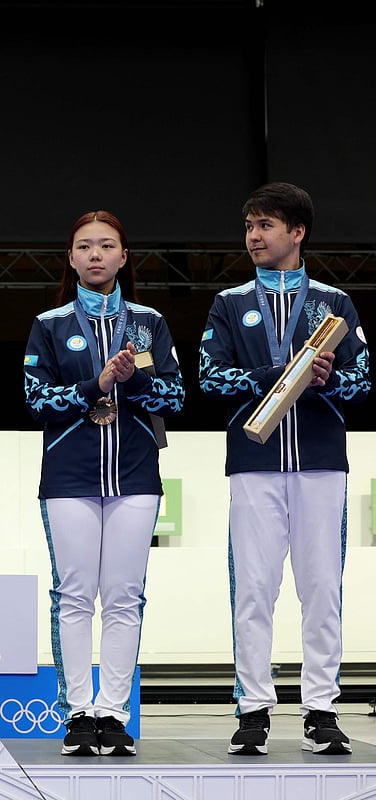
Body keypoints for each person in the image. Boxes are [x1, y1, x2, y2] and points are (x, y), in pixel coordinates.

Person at [199, 181, 369, 757]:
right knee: (254, 588)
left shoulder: (334, 304)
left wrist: (325, 380)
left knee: (322, 587)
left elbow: (363, 381)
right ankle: (253, 709)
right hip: (253, 462)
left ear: (296, 232)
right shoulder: (230, 304)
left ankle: (321, 708)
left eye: (266, 226)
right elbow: (209, 377)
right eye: (249, 226)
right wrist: (276, 373)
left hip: (321, 461)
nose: (253, 236)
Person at [23, 211, 184, 757]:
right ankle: (77, 713)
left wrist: (132, 380)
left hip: (136, 477)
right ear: (70, 258)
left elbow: (176, 398)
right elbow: (35, 400)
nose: (95, 255)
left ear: (123, 257)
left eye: (106, 246)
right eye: (85, 246)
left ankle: (114, 712)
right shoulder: (49, 324)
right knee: (73, 595)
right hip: (69, 477)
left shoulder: (148, 323)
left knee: (124, 596)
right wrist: (97, 383)